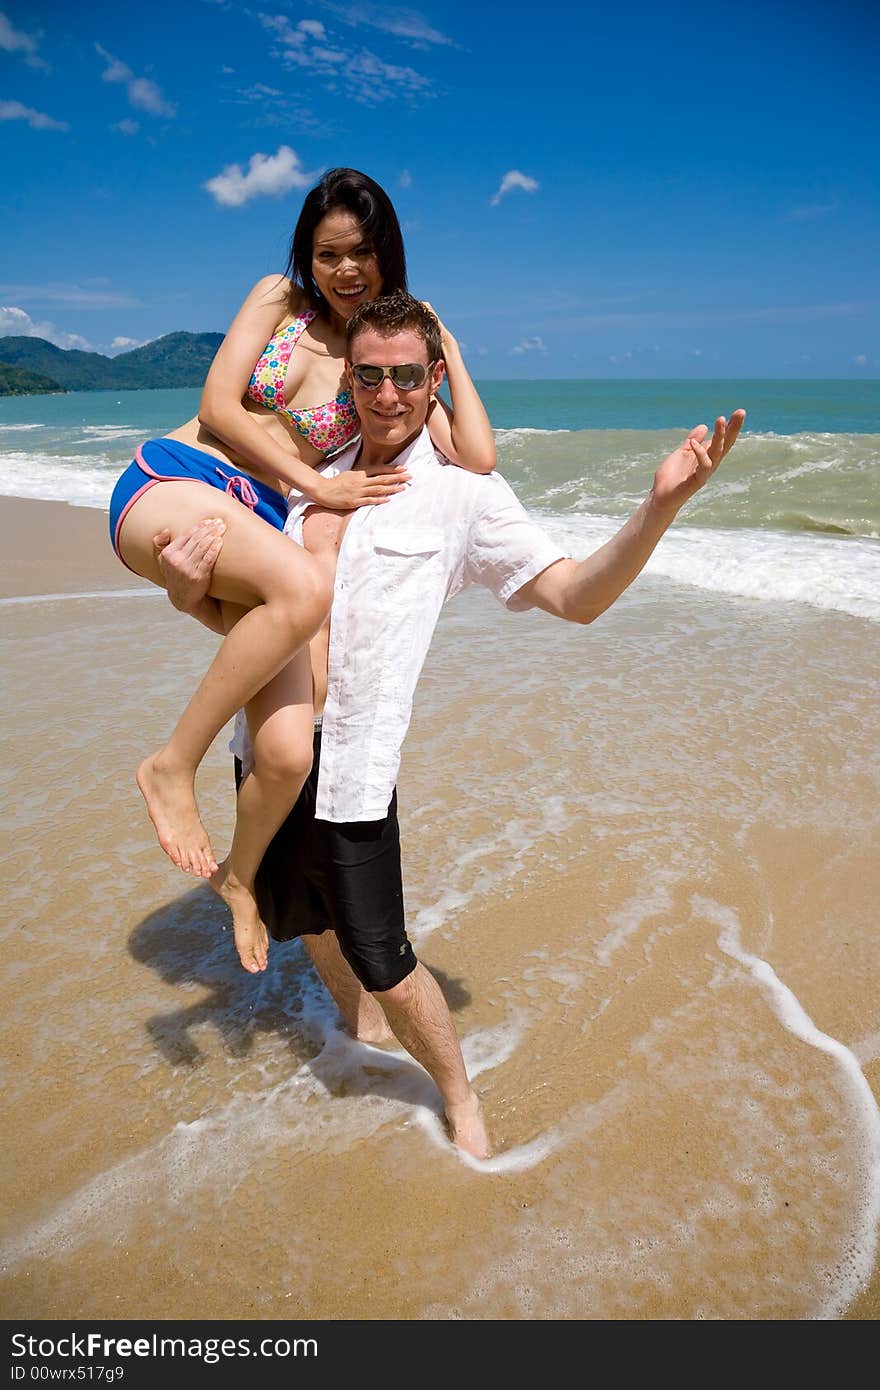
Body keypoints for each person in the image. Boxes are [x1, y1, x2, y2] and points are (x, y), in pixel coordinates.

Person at [159, 291, 746, 1158]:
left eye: (405, 376)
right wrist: (183, 586)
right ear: (347, 378)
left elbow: (575, 596)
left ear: (434, 377)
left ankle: (458, 1094)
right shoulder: (302, 474)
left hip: (355, 768)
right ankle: (351, 1027)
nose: (387, 395)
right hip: (268, 747)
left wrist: (662, 504)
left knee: (388, 962)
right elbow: (238, 617)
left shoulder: (464, 496)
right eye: (369, 375)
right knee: (305, 921)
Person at [108, 169, 496, 976]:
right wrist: (318, 483)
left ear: (387, 253)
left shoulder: (379, 360)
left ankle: (240, 879)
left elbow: (473, 454)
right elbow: (219, 406)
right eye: (327, 254)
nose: (345, 271)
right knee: (305, 589)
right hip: (178, 483)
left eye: (361, 253)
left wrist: (448, 347)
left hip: (254, 533)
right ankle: (170, 763)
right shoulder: (276, 303)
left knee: (288, 755)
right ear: (306, 257)